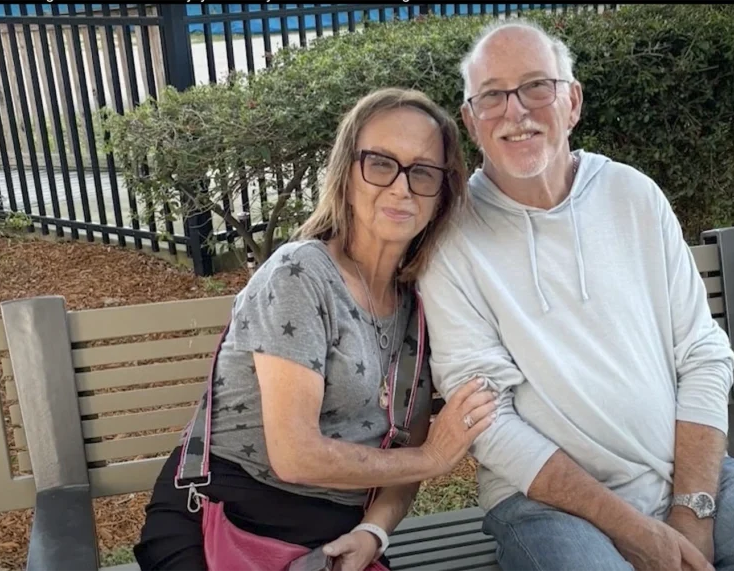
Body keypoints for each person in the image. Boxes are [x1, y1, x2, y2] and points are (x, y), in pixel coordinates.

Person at [417, 19, 734, 571]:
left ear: (572, 101)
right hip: (548, 506)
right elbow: (486, 420)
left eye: (537, 86)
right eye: (492, 95)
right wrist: (633, 530)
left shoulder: (632, 195)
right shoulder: (452, 240)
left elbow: (702, 352)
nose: (516, 110)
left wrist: (692, 511)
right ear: (470, 119)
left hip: (693, 480)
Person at [134, 87, 498, 571]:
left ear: (442, 193)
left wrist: (372, 533)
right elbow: (296, 456)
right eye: (380, 163)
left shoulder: (421, 308)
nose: (402, 187)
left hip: (332, 536)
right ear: (346, 174)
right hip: (222, 510)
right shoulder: (300, 273)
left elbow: (402, 460)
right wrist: (435, 458)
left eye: (424, 172)